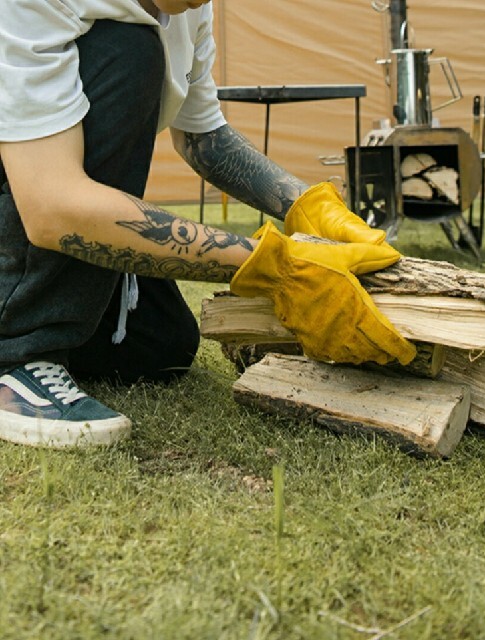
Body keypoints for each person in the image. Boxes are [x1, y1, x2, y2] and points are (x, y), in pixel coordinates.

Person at [0, 0, 416, 448]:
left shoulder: (190, 9)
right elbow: (51, 208)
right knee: (128, 51)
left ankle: (56, 326)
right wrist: (274, 264)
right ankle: (16, 355)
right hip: (29, 196)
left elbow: (204, 138)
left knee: (162, 346)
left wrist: (306, 205)